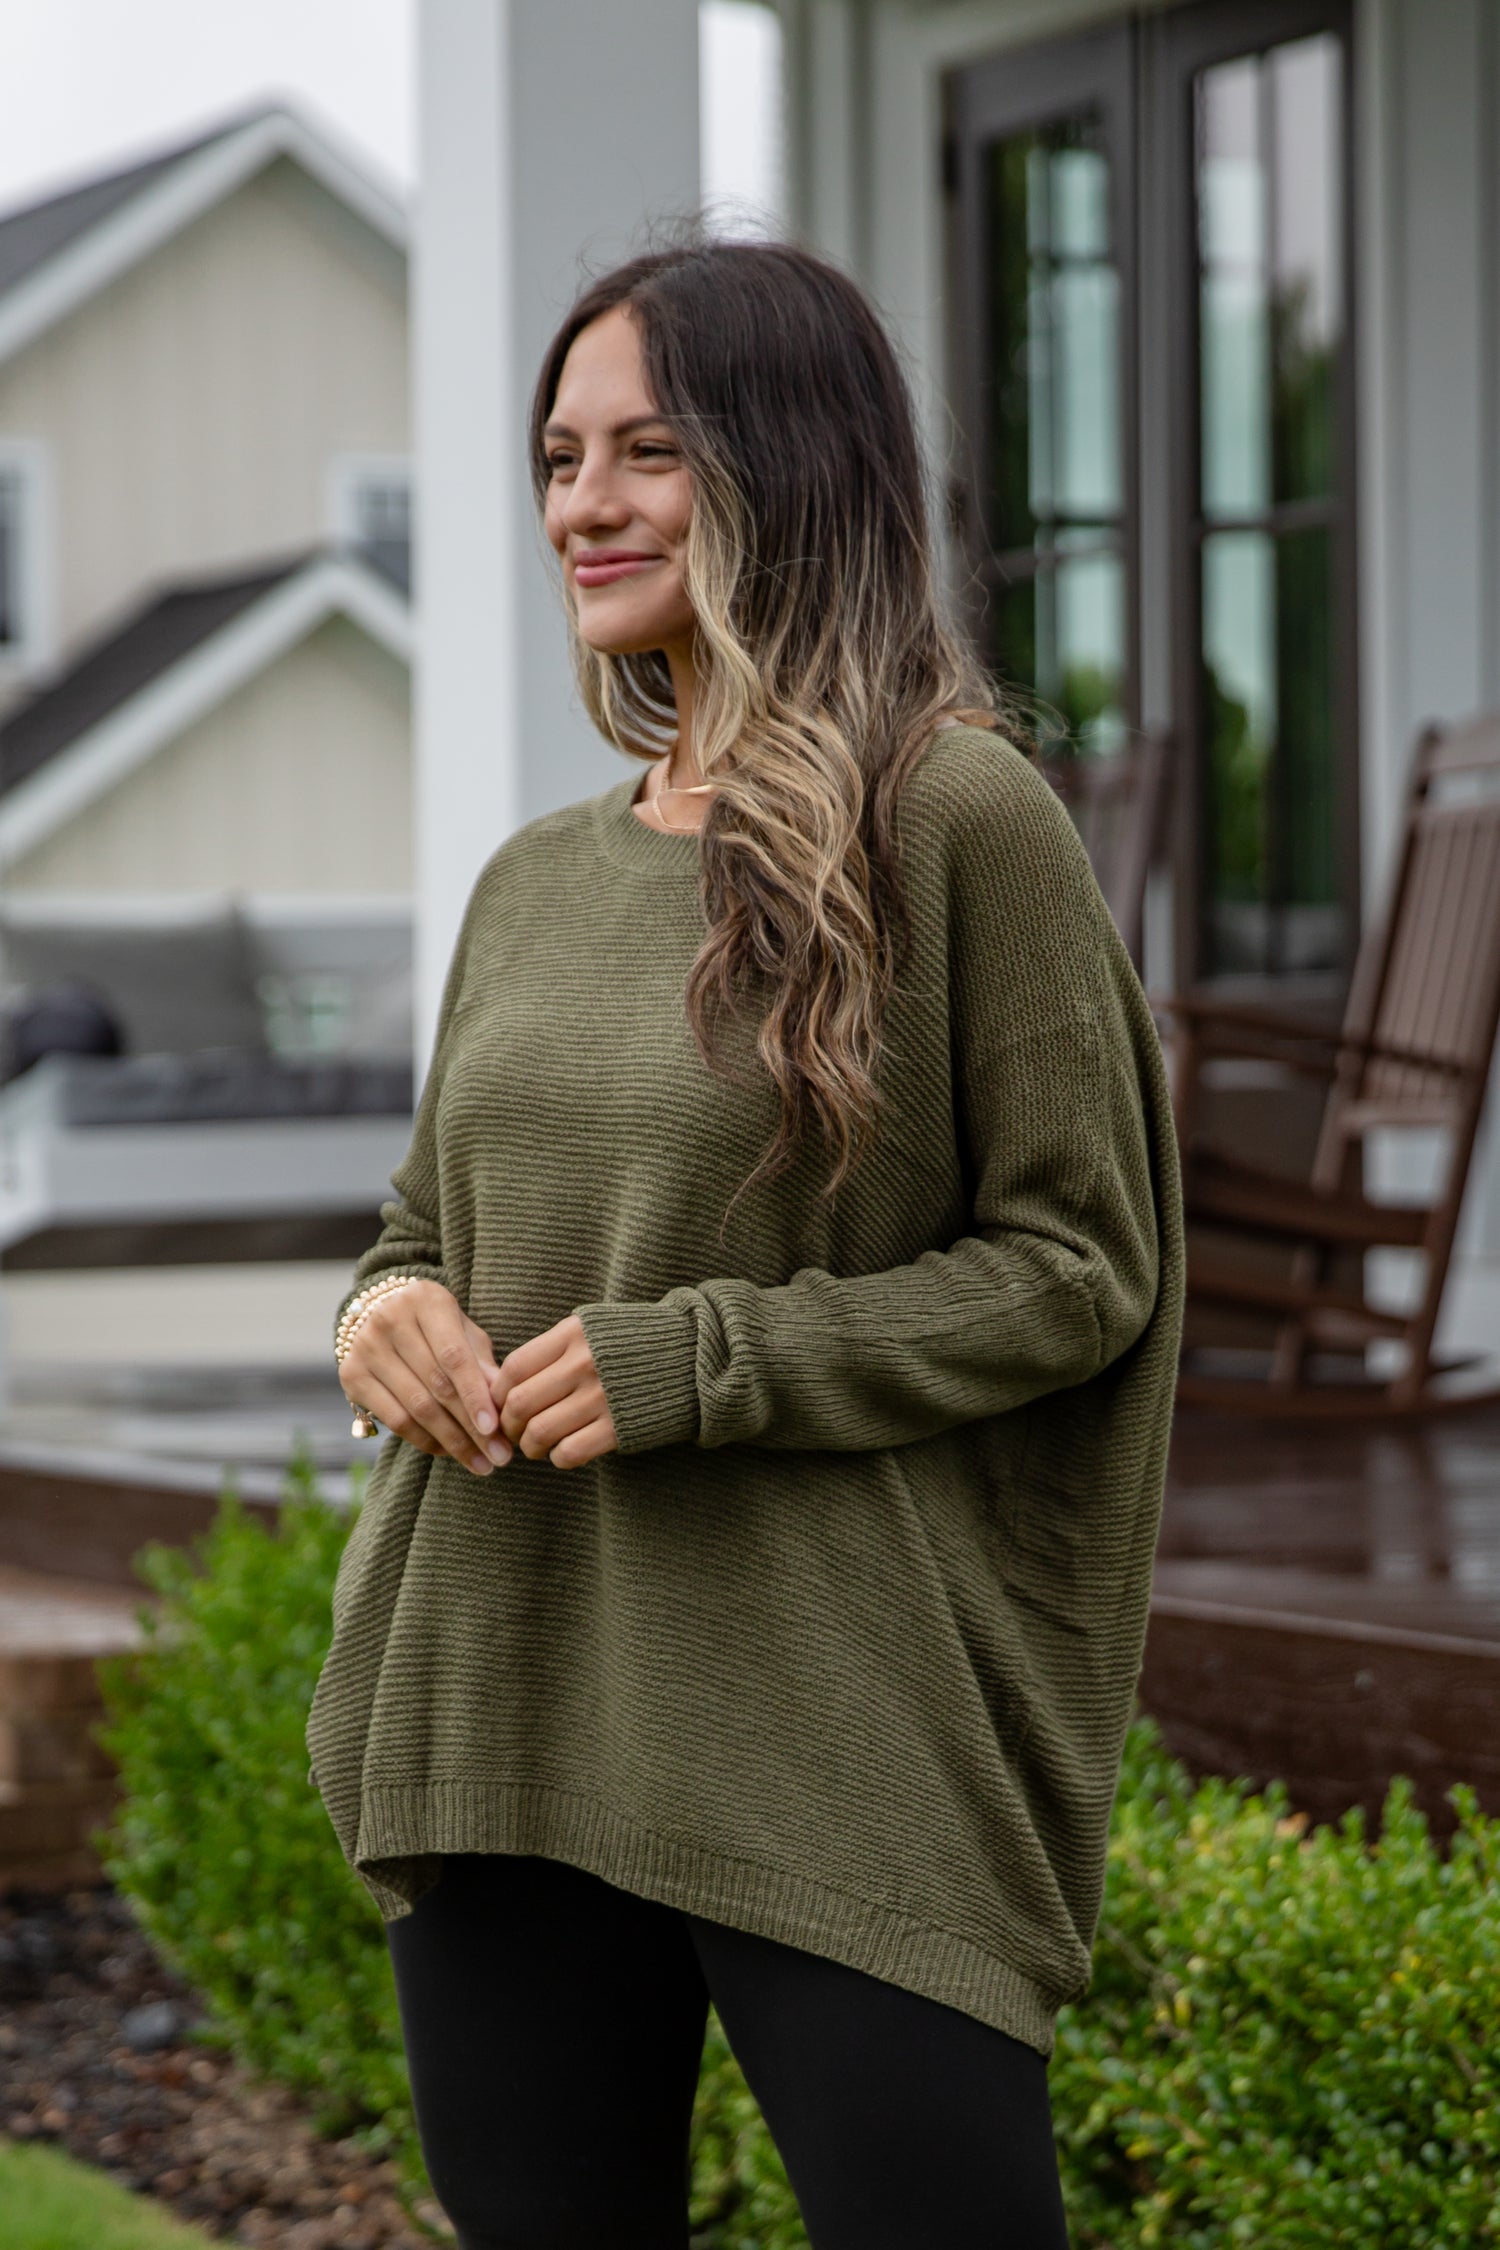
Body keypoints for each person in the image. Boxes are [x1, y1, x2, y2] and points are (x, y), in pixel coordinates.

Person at [306, 238, 1184, 2250]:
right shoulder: (535, 881)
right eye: (555, 456)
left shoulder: (960, 820)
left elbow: (1081, 1262)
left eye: (645, 451)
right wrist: (388, 1320)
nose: (578, 506)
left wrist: (707, 1361)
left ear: (792, 466)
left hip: (825, 1716)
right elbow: (424, 1224)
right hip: (508, 1689)